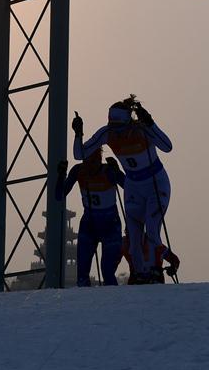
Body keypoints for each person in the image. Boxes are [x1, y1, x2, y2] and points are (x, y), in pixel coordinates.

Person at [72, 95, 176, 284]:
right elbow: (80, 154)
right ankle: (139, 273)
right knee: (133, 236)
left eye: (120, 128)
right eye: (114, 127)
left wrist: (150, 123)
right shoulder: (107, 133)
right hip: (133, 186)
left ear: (128, 122)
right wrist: (78, 133)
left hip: (156, 184)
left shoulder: (141, 129)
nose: (117, 133)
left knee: (152, 231)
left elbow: (167, 147)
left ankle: (154, 270)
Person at [55, 148, 124, 286]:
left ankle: (113, 303)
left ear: (100, 159)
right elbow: (59, 195)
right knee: (82, 274)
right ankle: (83, 304)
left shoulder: (107, 171)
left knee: (107, 271)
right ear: (84, 160)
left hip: (110, 225)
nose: (92, 166)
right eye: (89, 161)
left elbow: (128, 185)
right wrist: (61, 175)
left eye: (96, 161)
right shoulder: (78, 170)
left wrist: (117, 171)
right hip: (89, 225)